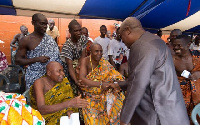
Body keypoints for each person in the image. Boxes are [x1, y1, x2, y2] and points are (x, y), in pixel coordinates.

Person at [109, 17, 189, 125]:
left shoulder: (141, 46)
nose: (122, 41)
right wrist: (119, 85)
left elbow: (138, 83)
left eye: (121, 36)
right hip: (172, 110)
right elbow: (146, 77)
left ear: (128, 30)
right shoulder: (155, 40)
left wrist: (124, 119)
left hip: (157, 113)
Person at [79, 43, 125, 125]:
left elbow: (115, 75)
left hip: (104, 91)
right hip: (90, 94)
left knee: (118, 100)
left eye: (101, 51)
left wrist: (114, 83)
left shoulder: (104, 62)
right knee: (93, 120)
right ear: (90, 52)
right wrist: (100, 84)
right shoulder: (85, 61)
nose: (99, 54)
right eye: (96, 51)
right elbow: (82, 79)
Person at [15, 13, 61, 89]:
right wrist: (37, 59)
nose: (45, 27)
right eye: (42, 24)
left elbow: (57, 57)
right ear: (33, 23)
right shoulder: (26, 40)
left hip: (52, 77)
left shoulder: (49, 39)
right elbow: (18, 60)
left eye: (46, 24)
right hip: (35, 77)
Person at [172, 35, 200, 117]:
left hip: (198, 94)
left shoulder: (198, 56)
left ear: (188, 45)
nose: (175, 48)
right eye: (174, 45)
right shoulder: (171, 60)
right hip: (181, 95)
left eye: (179, 45)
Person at [60, 19, 88, 93]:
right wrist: (76, 81)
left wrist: (80, 70)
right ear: (70, 32)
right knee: (72, 90)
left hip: (79, 65)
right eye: (76, 31)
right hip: (69, 71)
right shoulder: (67, 46)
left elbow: (83, 55)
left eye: (80, 30)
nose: (79, 33)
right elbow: (70, 66)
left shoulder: (83, 38)